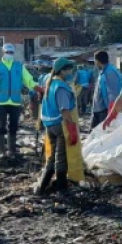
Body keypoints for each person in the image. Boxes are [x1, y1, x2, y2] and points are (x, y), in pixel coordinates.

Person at [0, 43, 42, 161]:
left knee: (13, 127)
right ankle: (2, 151)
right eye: (7, 52)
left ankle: (12, 151)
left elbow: (28, 80)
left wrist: (38, 89)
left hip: (15, 102)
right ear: (3, 53)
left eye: (11, 53)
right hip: (1, 102)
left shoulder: (19, 66)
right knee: (1, 127)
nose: (9, 55)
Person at [35, 58, 80, 195]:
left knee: (51, 159)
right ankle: (62, 189)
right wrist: (72, 127)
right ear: (63, 70)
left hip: (50, 125)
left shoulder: (51, 82)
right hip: (60, 125)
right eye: (69, 69)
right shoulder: (61, 87)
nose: (71, 72)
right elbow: (64, 110)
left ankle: (41, 188)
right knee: (61, 159)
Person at [91, 50, 122, 129]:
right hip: (98, 109)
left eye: (95, 61)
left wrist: (111, 112)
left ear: (98, 61)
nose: (95, 63)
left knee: (102, 133)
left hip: (104, 110)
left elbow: (113, 93)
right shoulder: (103, 71)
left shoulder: (110, 73)